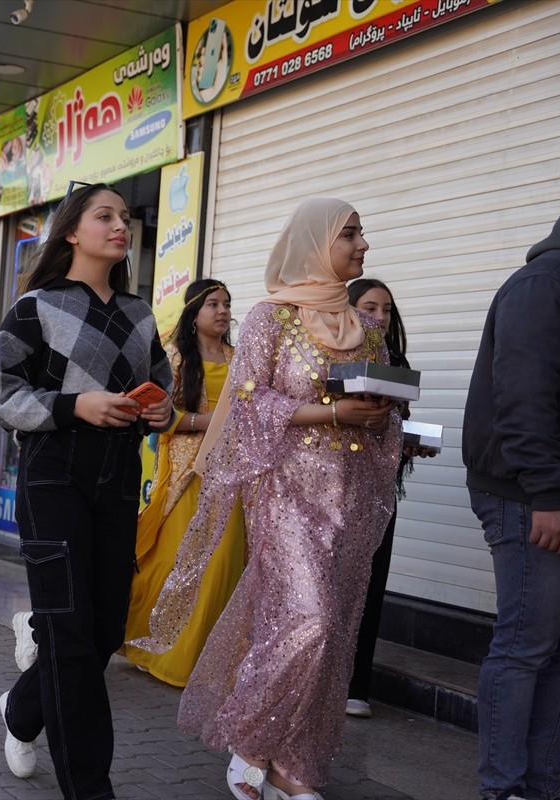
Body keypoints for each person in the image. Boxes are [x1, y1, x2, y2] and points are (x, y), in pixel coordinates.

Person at [135, 198, 399, 800]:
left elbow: (382, 411)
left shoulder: (369, 332)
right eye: (350, 235)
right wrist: (329, 411)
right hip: (285, 492)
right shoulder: (270, 319)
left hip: (350, 496)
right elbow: (246, 408)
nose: (363, 246)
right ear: (314, 242)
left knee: (330, 631)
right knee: (308, 620)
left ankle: (295, 766)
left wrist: (383, 420)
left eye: (361, 234)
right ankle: (251, 739)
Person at [0, 183, 174, 800]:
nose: (121, 226)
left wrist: (160, 411)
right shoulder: (35, 307)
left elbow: (164, 393)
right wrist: (76, 406)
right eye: (105, 216)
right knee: (69, 630)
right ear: (71, 231)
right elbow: (0, 397)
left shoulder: (141, 313)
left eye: (124, 217)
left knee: (105, 630)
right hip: (53, 473)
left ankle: (22, 707)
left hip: (120, 477)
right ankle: (91, 789)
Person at [462, 194, 560, 800]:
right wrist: (550, 493)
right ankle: (504, 788)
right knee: (525, 648)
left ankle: (539, 786)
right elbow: (524, 399)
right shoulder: (547, 282)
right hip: (533, 496)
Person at [123, 279, 246, 687]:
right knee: (170, 562)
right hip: (184, 475)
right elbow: (160, 417)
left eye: (227, 304)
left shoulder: (240, 359)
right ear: (194, 312)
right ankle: (146, 643)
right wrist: (206, 422)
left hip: (230, 474)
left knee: (222, 562)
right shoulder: (174, 357)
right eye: (213, 303)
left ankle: (196, 658)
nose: (223, 311)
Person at [344, 278, 434, 718]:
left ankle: (355, 686)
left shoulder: (395, 362)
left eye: (386, 310)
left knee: (371, 584)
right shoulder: (329, 354)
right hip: (329, 491)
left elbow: (396, 425)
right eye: (369, 307)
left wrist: (410, 442)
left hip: (379, 491)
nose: (379, 317)